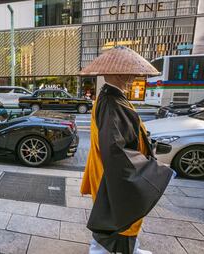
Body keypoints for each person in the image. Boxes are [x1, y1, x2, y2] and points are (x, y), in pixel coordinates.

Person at [79, 46, 173, 254]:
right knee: (116, 214)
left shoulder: (109, 96)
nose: (134, 77)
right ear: (120, 73)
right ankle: (99, 251)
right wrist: (150, 170)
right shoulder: (112, 103)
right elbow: (116, 149)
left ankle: (131, 248)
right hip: (113, 172)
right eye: (130, 73)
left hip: (108, 169)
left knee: (118, 214)